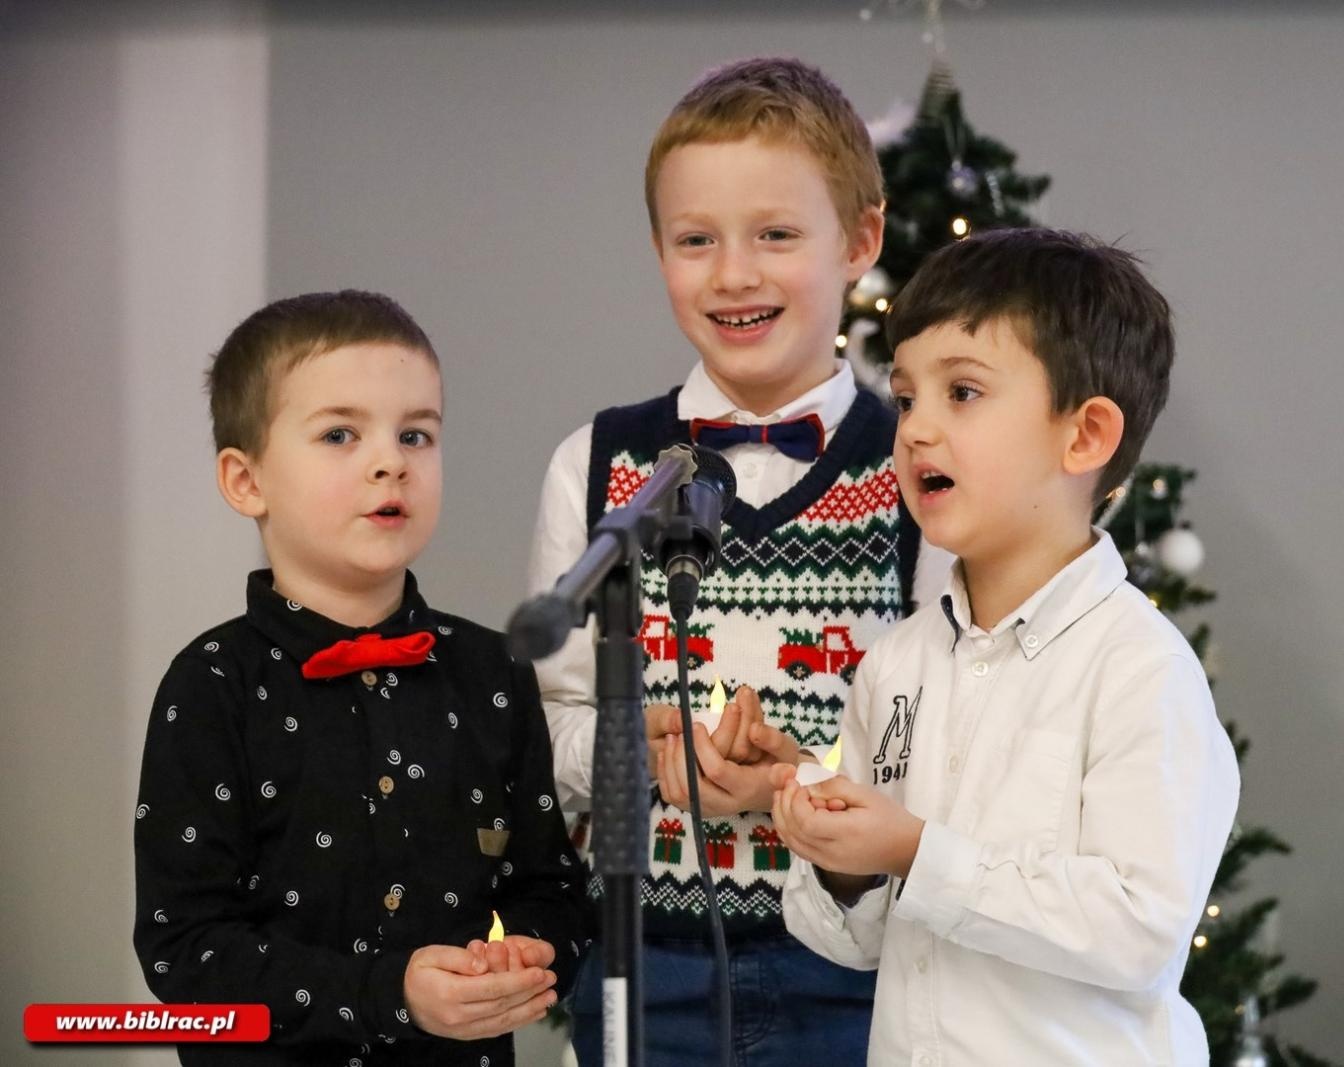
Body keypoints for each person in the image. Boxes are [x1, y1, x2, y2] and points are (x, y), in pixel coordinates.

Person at [528, 57, 950, 1067]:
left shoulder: (921, 470)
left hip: (858, 969)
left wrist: (790, 783)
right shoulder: (594, 462)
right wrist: (646, 763)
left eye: (775, 234)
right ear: (658, 252)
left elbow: (943, 744)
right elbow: (551, 727)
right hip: (643, 959)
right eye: (695, 240)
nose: (733, 274)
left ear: (860, 239)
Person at [772, 228, 1241, 1065]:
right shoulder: (898, 665)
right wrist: (839, 855)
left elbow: (1137, 927)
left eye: (963, 392)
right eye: (908, 396)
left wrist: (919, 849)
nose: (914, 429)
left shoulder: (1141, 668)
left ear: (1085, 435)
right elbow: (860, 940)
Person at [133, 290, 593, 1065]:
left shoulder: (492, 672)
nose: (392, 461)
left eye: (417, 433)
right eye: (340, 434)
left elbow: (552, 890)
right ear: (247, 482)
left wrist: (520, 952)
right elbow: (186, 950)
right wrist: (388, 992)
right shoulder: (210, 686)